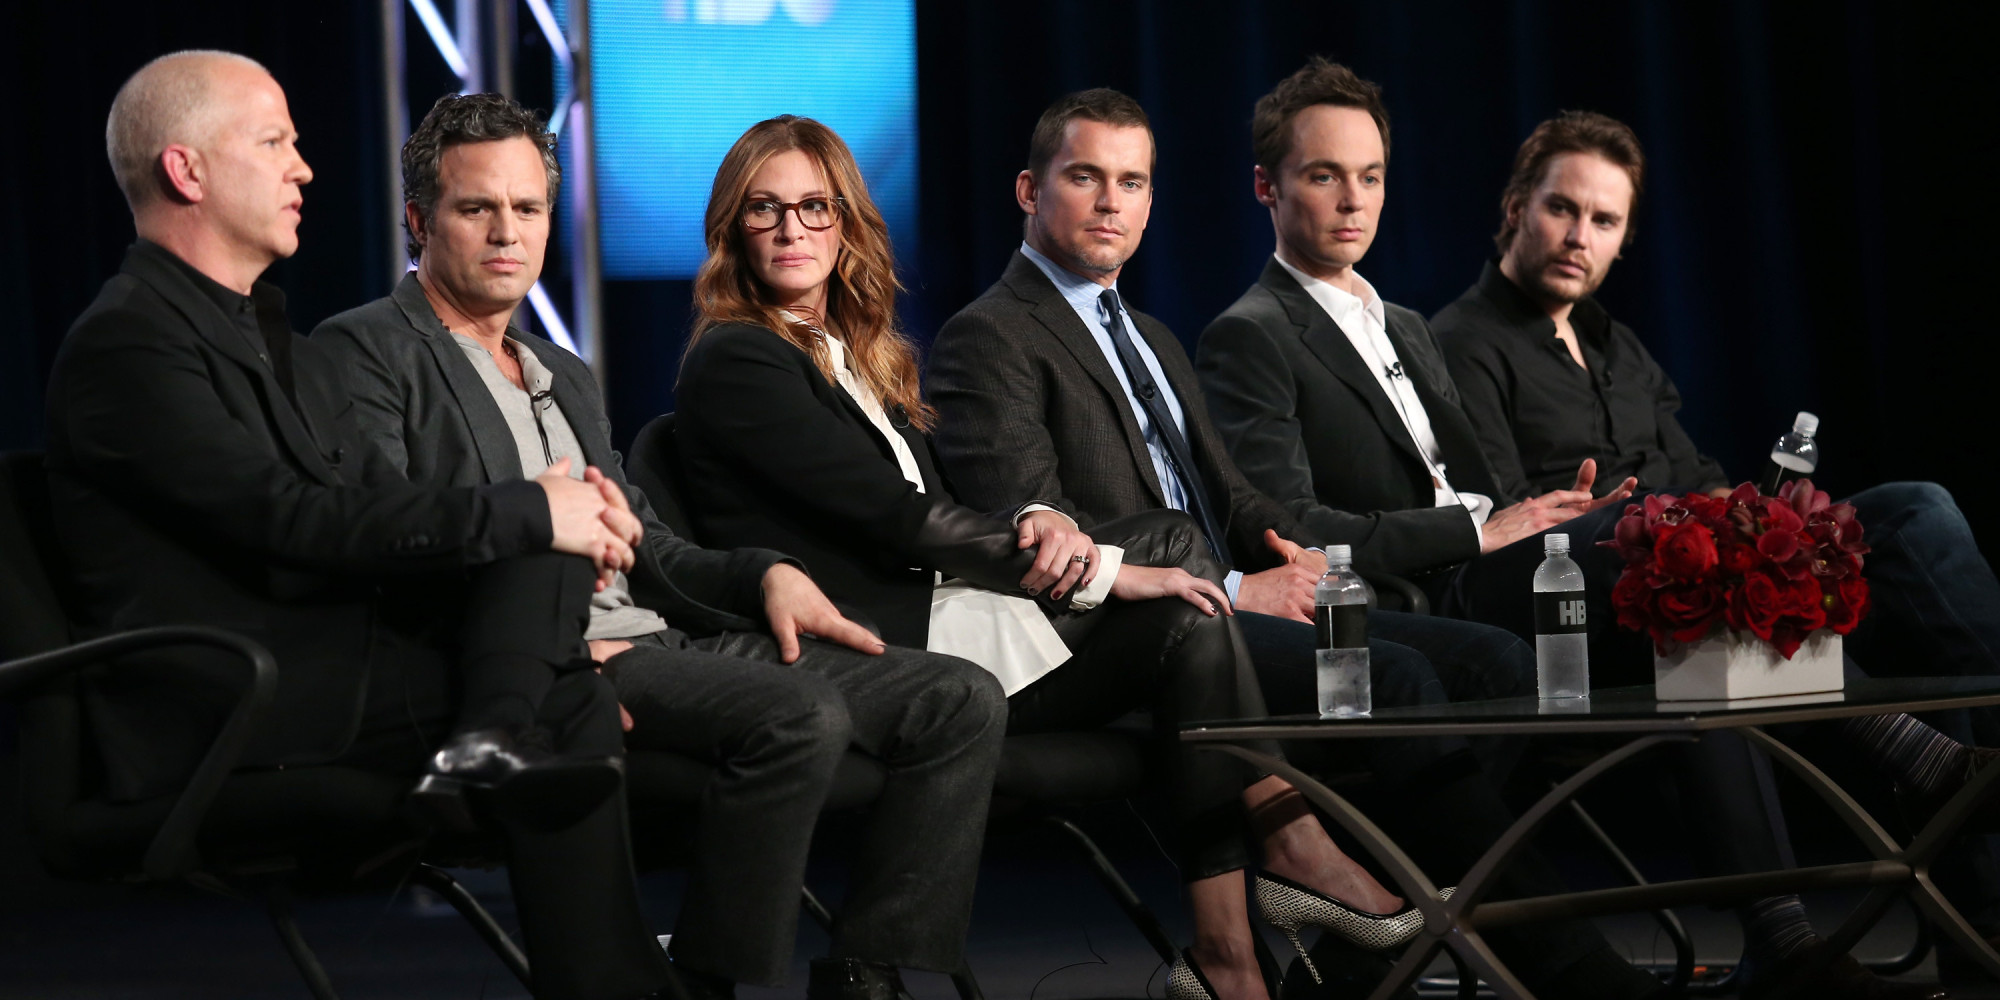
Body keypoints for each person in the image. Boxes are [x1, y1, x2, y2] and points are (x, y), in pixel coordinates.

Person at [671, 113, 1439, 1000]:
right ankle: (1282, 859)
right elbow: (894, 519)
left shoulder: (852, 355)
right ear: (733, 228)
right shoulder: (738, 359)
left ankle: (1230, 950)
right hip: (882, 652)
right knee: (1173, 592)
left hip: (950, 623)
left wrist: (1050, 522)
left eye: (815, 207)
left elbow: (939, 508)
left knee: (1179, 574)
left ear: (846, 224)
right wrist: (1106, 571)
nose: (793, 229)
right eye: (766, 209)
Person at [924, 89, 1666, 999]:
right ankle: (1561, 965)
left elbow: (1233, 497)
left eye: (1133, 182)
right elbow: (1038, 531)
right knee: (1397, 678)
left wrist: (1297, 559)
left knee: (1496, 661)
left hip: (1231, 603)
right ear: (1029, 191)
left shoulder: (1150, 334)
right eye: (1086, 178)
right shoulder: (987, 335)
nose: (1113, 202)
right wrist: (1238, 587)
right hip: (1135, 638)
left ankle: (1369, 944)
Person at [310, 93, 1006, 1000]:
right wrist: (547, 660)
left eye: (527, 209)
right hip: (557, 662)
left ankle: (866, 973)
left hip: (660, 639)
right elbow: (384, 536)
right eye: (476, 208)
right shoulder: (366, 350)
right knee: (801, 716)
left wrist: (766, 574)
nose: (505, 233)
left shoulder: (563, 373)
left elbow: (652, 546)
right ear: (419, 220)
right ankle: (704, 981)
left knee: (958, 699)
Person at [45, 51, 670, 1000]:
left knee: (551, 603)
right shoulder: (128, 342)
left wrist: (543, 513)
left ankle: (493, 755)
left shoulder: (258, 330)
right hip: (235, 701)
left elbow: (365, 505)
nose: (303, 167)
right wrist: (529, 510)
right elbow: (293, 521)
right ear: (188, 172)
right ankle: (506, 770)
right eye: (275, 143)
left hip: (334, 667)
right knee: (556, 637)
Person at [1430, 108, 2000, 987]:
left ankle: (1983, 883)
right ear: (1513, 208)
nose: (1581, 236)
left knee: (1916, 512)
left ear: (1623, 239)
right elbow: (1508, 522)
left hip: (1693, 569)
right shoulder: (1459, 343)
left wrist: (1769, 524)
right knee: (1677, 552)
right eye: (1561, 208)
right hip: (1566, 599)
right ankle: (1806, 903)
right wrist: (1693, 522)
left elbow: (1709, 478)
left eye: (1605, 221)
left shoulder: (1624, 350)